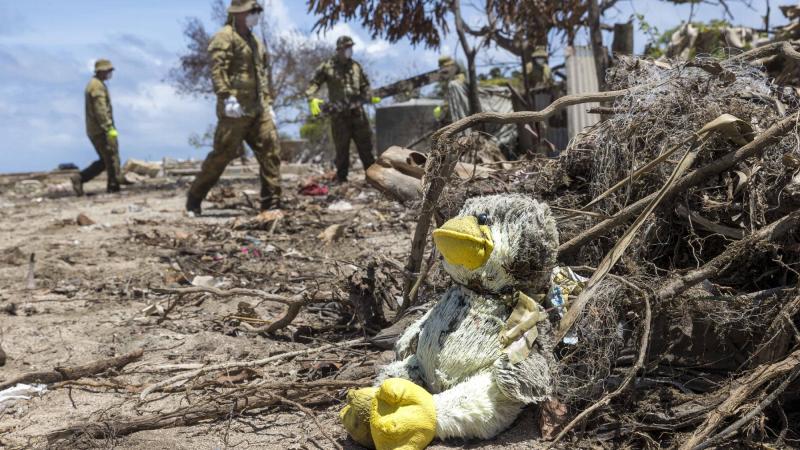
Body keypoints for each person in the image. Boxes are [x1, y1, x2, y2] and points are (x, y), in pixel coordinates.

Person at [186, 0, 281, 215]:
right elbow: (218, 69)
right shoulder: (225, 36)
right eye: (251, 11)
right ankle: (194, 198)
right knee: (222, 155)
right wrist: (227, 96)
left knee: (271, 151)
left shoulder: (256, 41)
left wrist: (269, 103)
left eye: (257, 11)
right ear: (239, 13)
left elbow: (262, 76)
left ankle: (271, 202)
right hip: (235, 110)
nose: (255, 15)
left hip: (258, 109)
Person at [306, 36, 377, 183]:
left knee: (366, 148)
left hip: (358, 114)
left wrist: (371, 95)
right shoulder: (328, 66)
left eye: (351, 47)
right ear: (339, 49)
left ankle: (373, 179)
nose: (349, 50)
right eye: (346, 47)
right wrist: (312, 98)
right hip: (339, 116)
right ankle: (342, 179)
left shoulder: (356, 66)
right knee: (341, 150)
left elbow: (365, 85)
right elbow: (314, 83)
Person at [72, 59, 124, 196]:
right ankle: (113, 186)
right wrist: (108, 127)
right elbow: (100, 110)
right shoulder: (96, 86)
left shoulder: (97, 84)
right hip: (100, 130)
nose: (110, 73)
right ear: (101, 71)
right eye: (108, 70)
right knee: (111, 158)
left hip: (97, 129)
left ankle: (81, 178)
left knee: (104, 160)